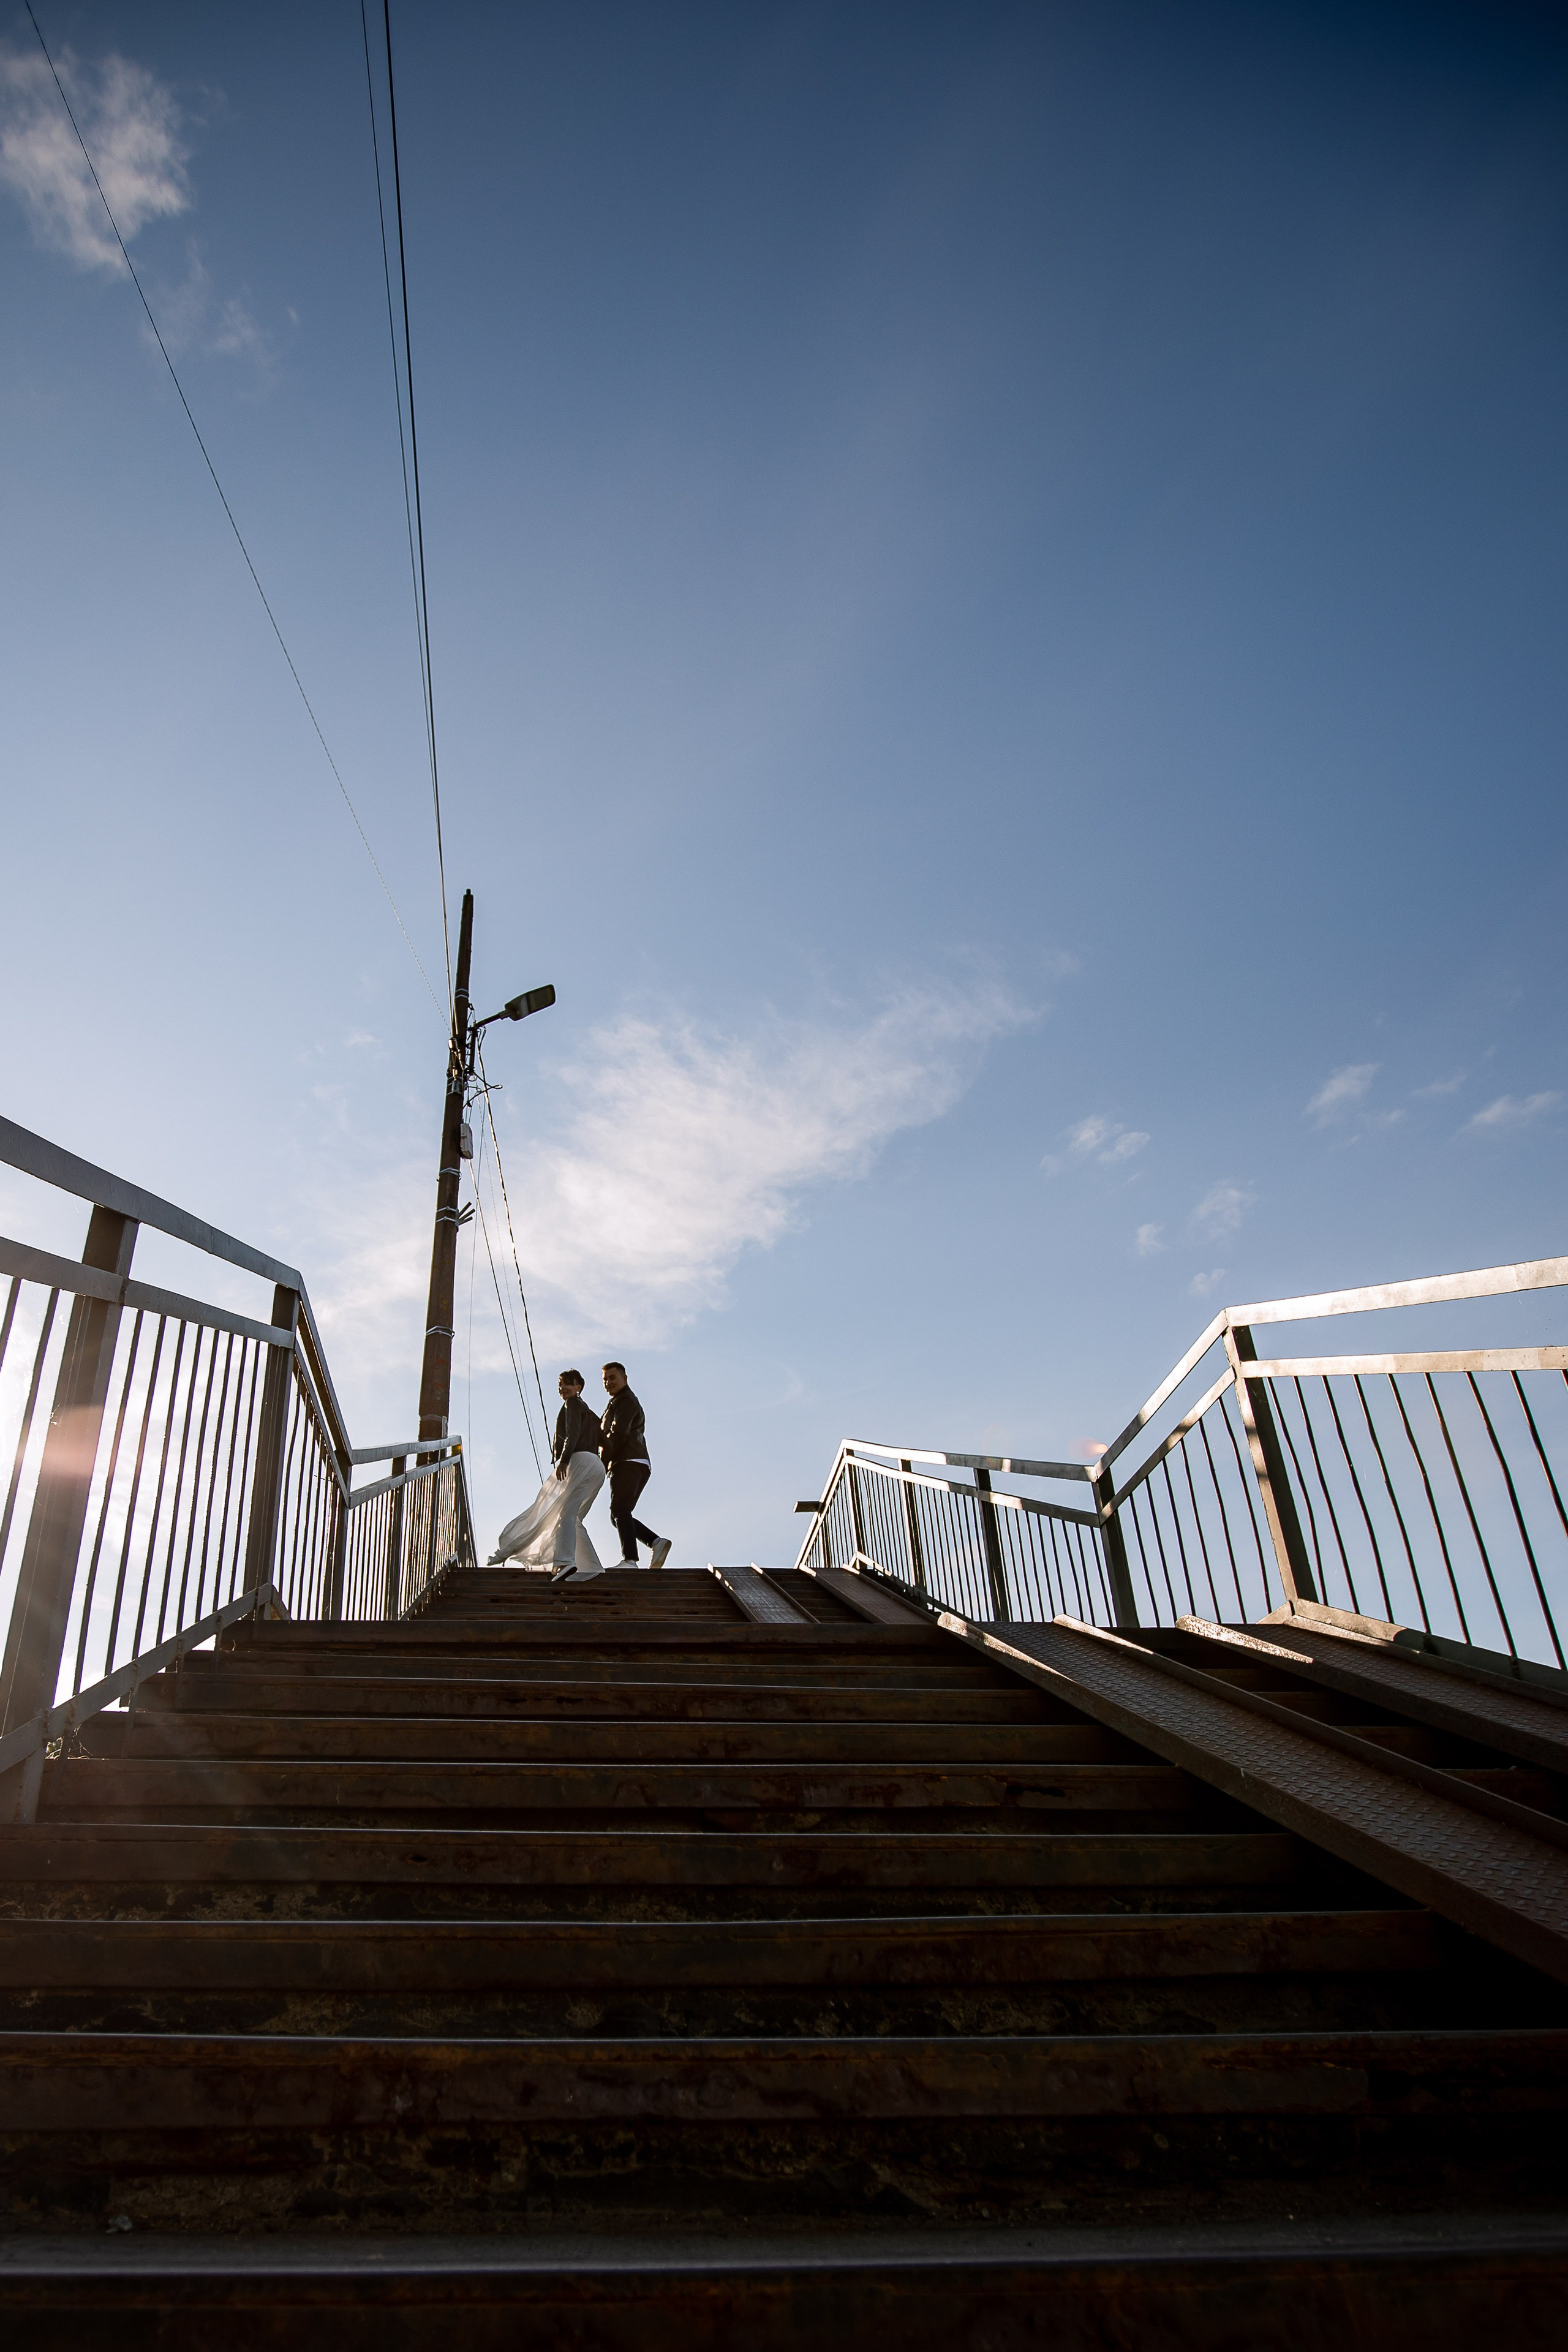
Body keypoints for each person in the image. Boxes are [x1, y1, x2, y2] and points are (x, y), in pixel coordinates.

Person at [489, 1370, 608, 1580]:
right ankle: (589, 1567)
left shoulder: (572, 1404)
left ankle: (565, 1562)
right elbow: (607, 1443)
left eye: (567, 1384)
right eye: (560, 1385)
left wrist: (564, 1460)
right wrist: (603, 1464)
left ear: (578, 1387)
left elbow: (572, 1432)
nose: (562, 1389)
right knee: (573, 1517)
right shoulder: (591, 1414)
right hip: (597, 1467)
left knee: (562, 1512)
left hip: (580, 1460)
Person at [600, 1362, 672, 1569]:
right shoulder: (617, 1402)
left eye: (612, 1377)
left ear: (625, 1378)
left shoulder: (625, 1401)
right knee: (618, 1515)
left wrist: (602, 1464)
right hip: (634, 1462)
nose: (608, 1382)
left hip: (627, 1461)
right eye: (605, 1380)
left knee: (620, 1510)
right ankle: (656, 1542)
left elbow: (618, 1433)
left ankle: (630, 1560)